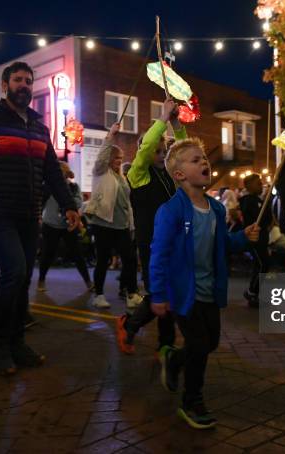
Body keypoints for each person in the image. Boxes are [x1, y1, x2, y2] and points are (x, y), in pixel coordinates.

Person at [0, 61, 80, 375]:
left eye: (28, 81)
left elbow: (52, 170)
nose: (23, 85)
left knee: (22, 277)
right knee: (15, 272)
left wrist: (69, 205)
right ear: (4, 86)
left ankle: (16, 341)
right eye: (17, 80)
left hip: (29, 214)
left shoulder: (39, 127)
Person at [150, 138, 259, 429]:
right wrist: (158, 293)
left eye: (204, 159)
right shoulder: (171, 211)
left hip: (210, 289)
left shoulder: (216, 209)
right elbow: (158, 255)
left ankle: (174, 361)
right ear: (179, 174)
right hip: (184, 293)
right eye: (195, 160)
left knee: (209, 343)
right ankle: (192, 401)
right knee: (199, 345)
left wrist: (242, 237)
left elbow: (222, 243)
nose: (204, 162)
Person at [115, 99, 184, 355]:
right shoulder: (137, 174)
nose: (162, 153)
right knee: (158, 291)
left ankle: (163, 343)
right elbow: (145, 149)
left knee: (169, 290)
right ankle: (131, 327)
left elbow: (183, 149)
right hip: (151, 241)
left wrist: (176, 124)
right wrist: (163, 118)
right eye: (157, 150)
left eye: (164, 149)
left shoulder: (169, 173)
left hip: (173, 239)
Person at [85, 123, 142, 310]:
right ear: (109, 158)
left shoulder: (122, 177)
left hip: (122, 225)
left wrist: (131, 225)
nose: (119, 160)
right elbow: (101, 156)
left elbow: (127, 204)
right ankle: (99, 295)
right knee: (103, 260)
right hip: (103, 223)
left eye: (121, 158)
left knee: (130, 259)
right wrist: (110, 135)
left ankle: (131, 293)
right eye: (116, 157)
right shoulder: (101, 172)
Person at [37, 161, 93, 292]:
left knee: (77, 254)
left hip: (69, 225)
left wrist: (68, 204)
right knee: (47, 254)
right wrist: (39, 217)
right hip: (50, 224)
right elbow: (40, 201)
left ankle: (88, 282)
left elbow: (78, 202)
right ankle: (41, 280)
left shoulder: (73, 187)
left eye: (63, 173)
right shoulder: (48, 186)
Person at [240, 174, 272, 307]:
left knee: (260, 264)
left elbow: (267, 218)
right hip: (255, 239)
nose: (261, 185)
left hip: (262, 238)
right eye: (258, 183)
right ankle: (252, 291)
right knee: (263, 264)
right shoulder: (248, 201)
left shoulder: (257, 200)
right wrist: (266, 202)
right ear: (249, 186)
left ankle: (254, 292)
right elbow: (258, 216)